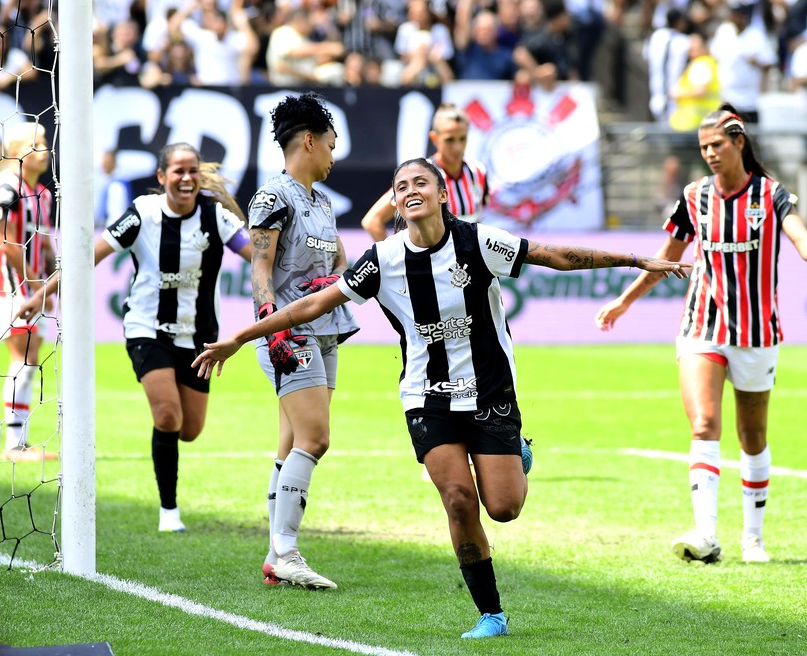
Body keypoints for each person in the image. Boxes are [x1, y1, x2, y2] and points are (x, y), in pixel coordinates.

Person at [193, 157, 690, 637]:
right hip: (426, 397)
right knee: (458, 499)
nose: (411, 191)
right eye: (401, 186)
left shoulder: (479, 240)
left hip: (489, 391)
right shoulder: (383, 260)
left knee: (504, 508)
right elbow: (315, 304)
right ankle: (491, 614)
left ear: (441, 193)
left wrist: (633, 259)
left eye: (420, 183)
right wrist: (241, 336)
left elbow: (553, 256)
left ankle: (515, 452)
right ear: (395, 202)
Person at [595, 104, 807, 564]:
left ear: (739, 142)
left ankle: (753, 539)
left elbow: (800, 237)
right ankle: (705, 534)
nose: (709, 153)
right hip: (702, 326)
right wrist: (625, 300)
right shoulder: (694, 196)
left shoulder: (769, 193)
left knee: (752, 435)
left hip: (756, 331)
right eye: (703, 146)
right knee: (704, 424)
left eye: (717, 144)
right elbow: (667, 257)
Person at [17, 142, 254, 532]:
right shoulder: (143, 213)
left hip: (199, 338)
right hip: (147, 329)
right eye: (178, 171)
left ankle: (168, 468)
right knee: (168, 415)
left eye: (192, 170)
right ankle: (169, 513)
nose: (186, 178)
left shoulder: (216, 217)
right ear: (162, 177)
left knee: (190, 430)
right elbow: (89, 256)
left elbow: (257, 256)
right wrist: (41, 293)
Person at [246, 93, 358, 591]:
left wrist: (333, 278)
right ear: (309, 141)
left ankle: (276, 556)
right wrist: (270, 323)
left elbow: (339, 260)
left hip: (327, 329)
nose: (334, 155)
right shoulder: (273, 197)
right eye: (331, 145)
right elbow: (260, 266)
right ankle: (288, 552)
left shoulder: (323, 202)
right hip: (289, 333)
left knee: (292, 442)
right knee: (315, 439)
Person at [0, 122, 57, 463]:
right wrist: (39, 286)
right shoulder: (5, 187)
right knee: (23, 358)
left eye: (44, 142)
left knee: (30, 359)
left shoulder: (43, 194)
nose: (44, 149)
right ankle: (14, 445)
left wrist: (51, 281)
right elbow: (9, 244)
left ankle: (20, 441)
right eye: (35, 144)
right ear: (15, 152)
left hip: (34, 285)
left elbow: (45, 243)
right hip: (9, 285)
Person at [360, 102, 488, 242]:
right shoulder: (420, 173)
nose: (457, 147)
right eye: (449, 140)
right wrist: (394, 254)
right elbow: (372, 221)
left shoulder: (478, 171)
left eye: (462, 139)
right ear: (434, 138)